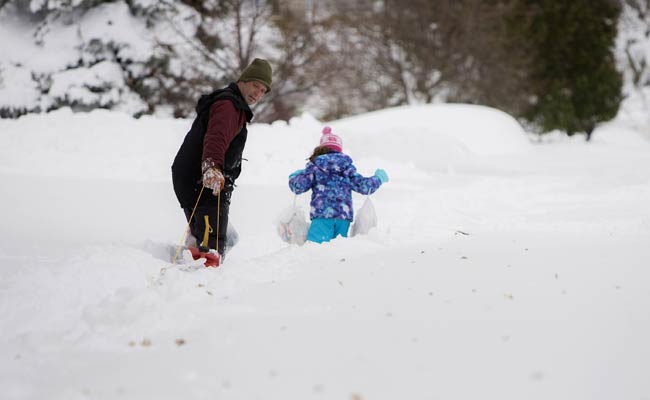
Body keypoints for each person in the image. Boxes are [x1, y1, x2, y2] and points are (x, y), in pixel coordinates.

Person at [171, 58, 272, 266]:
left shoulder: (235, 106)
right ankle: (200, 277)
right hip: (204, 182)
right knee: (212, 245)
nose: (257, 93)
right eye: (255, 85)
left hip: (202, 181)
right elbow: (216, 137)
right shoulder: (228, 106)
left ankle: (192, 255)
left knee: (225, 237)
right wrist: (212, 167)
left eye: (262, 90)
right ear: (243, 80)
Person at [288, 126, 389, 243]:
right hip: (343, 218)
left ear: (321, 148)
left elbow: (298, 187)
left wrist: (294, 177)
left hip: (322, 216)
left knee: (316, 250)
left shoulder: (315, 166)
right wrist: (378, 178)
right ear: (339, 149)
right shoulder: (347, 167)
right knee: (338, 251)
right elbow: (364, 187)